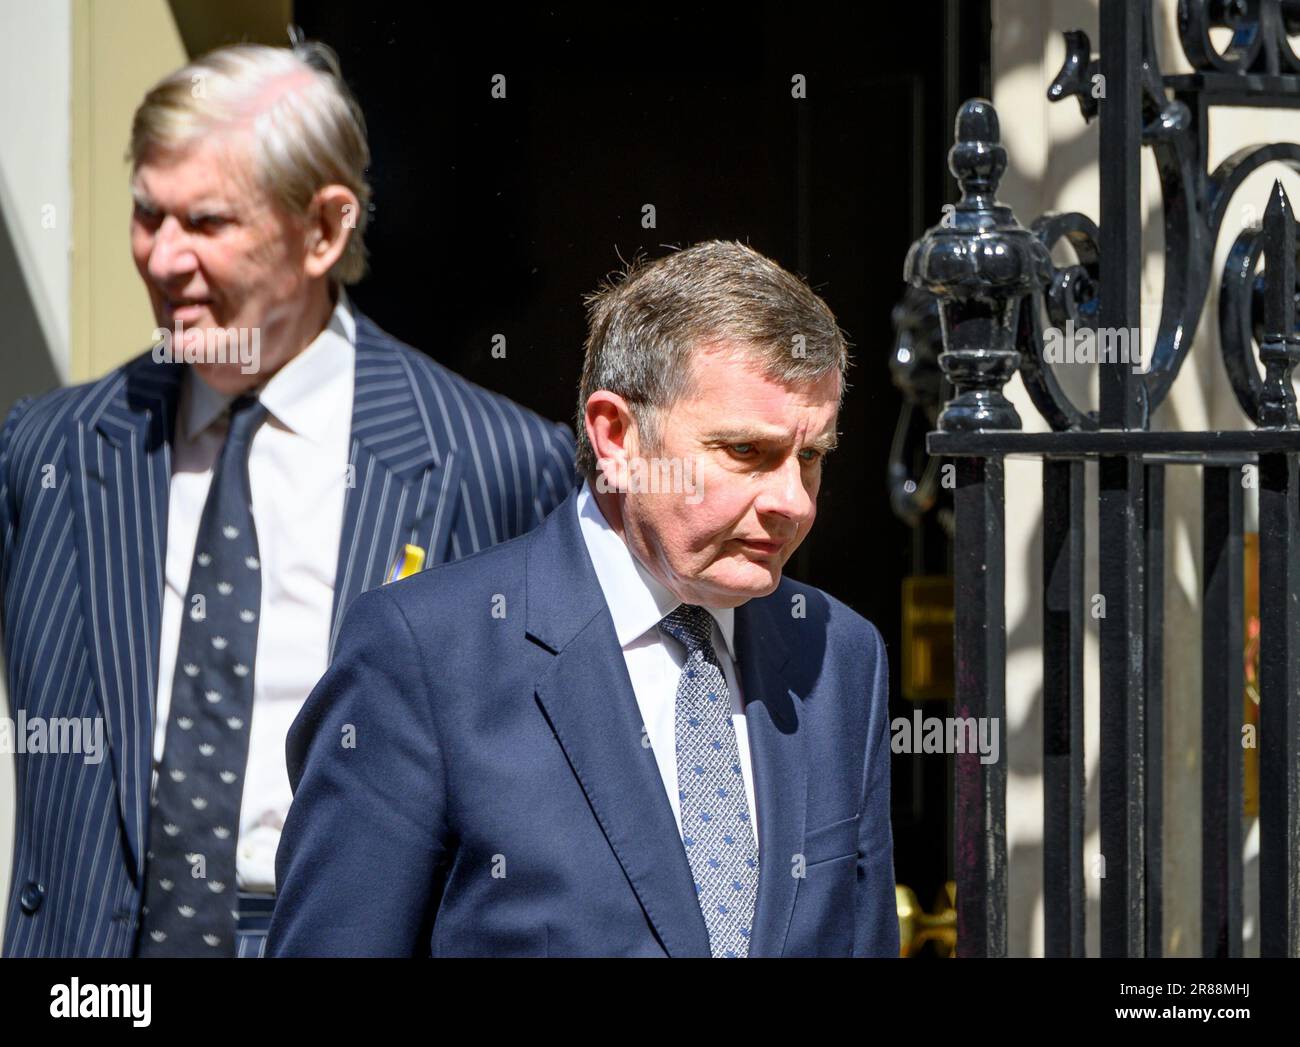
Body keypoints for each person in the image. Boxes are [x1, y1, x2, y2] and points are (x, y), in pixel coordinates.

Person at [0, 41, 575, 958]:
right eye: (148, 215)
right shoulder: (52, 451)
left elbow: (551, 785)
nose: (164, 257)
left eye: (208, 221)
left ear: (325, 230)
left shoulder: (491, 460)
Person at [268, 240, 896, 957]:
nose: (792, 501)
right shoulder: (425, 654)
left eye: (809, 457)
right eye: (746, 453)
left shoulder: (838, 654)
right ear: (617, 435)